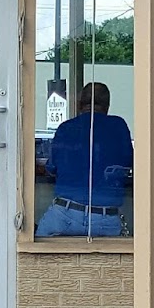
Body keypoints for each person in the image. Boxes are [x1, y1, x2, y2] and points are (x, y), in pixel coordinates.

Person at [36, 82, 132, 236]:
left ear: (80, 104)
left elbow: (52, 168)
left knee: (33, 249)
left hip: (64, 214)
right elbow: (128, 163)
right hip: (105, 217)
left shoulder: (66, 128)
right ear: (107, 105)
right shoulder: (119, 126)